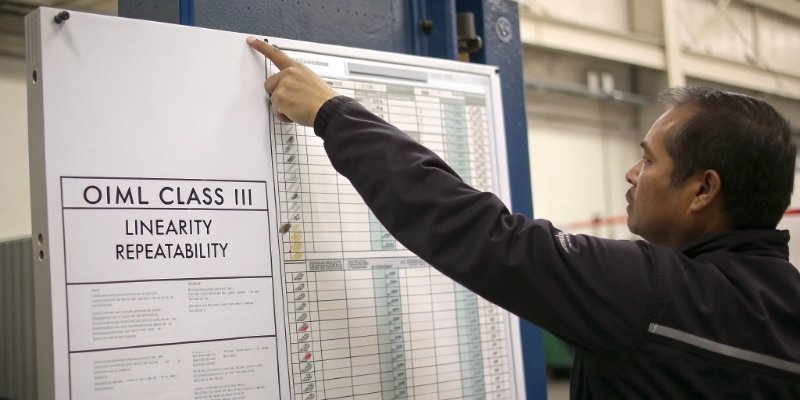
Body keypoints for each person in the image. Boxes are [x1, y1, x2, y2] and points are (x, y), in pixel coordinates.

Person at [245, 37, 800, 398]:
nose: (632, 174)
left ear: (704, 189)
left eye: (649, 159)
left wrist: (331, 113)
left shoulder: (655, 294)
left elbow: (481, 233)